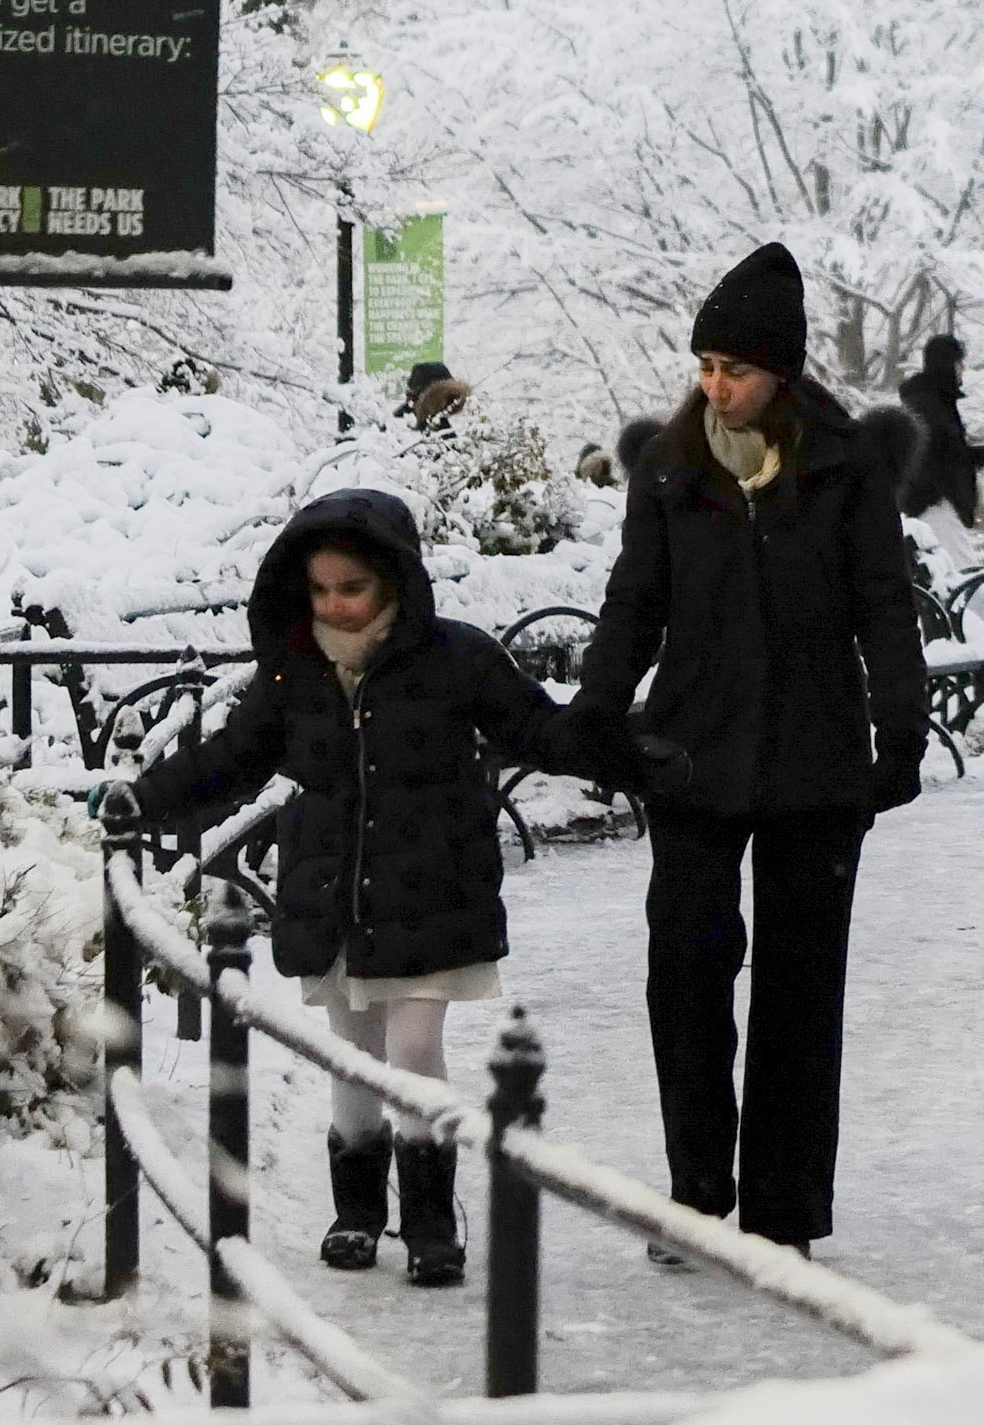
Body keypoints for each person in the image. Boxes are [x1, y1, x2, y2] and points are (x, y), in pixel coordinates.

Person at [120, 487, 581, 1284]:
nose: (334, 604)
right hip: (333, 887)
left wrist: (634, 750)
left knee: (410, 1044)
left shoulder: (455, 657)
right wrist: (146, 795)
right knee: (353, 1050)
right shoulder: (293, 670)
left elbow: (539, 725)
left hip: (432, 883)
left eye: (352, 587)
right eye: (321, 588)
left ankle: (432, 1218)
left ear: (394, 581)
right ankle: (358, 1209)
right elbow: (235, 755)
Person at [573, 244, 931, 1251]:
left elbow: (881, 603)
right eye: (703, 365)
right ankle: (693, 1190)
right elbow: (634, 599)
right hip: (690, 753)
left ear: (780, 369)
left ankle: (781, 1209)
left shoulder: (844, 463)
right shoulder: (671, 466)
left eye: (732, 366)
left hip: (818, 762)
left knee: (799, 988)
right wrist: (601, 708)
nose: (713, 384)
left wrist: (900, 729)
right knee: (683, 974)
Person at [896, 331, 984, 536]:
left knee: (959, 565)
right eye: (958, 362)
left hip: (938, 504)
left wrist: (979, 454)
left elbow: (947, 454)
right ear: (946, 364)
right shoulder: (930, 406)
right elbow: (939, 458)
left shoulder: (934, 402)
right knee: (961, 566)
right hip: (936, 505)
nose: (963, 368)